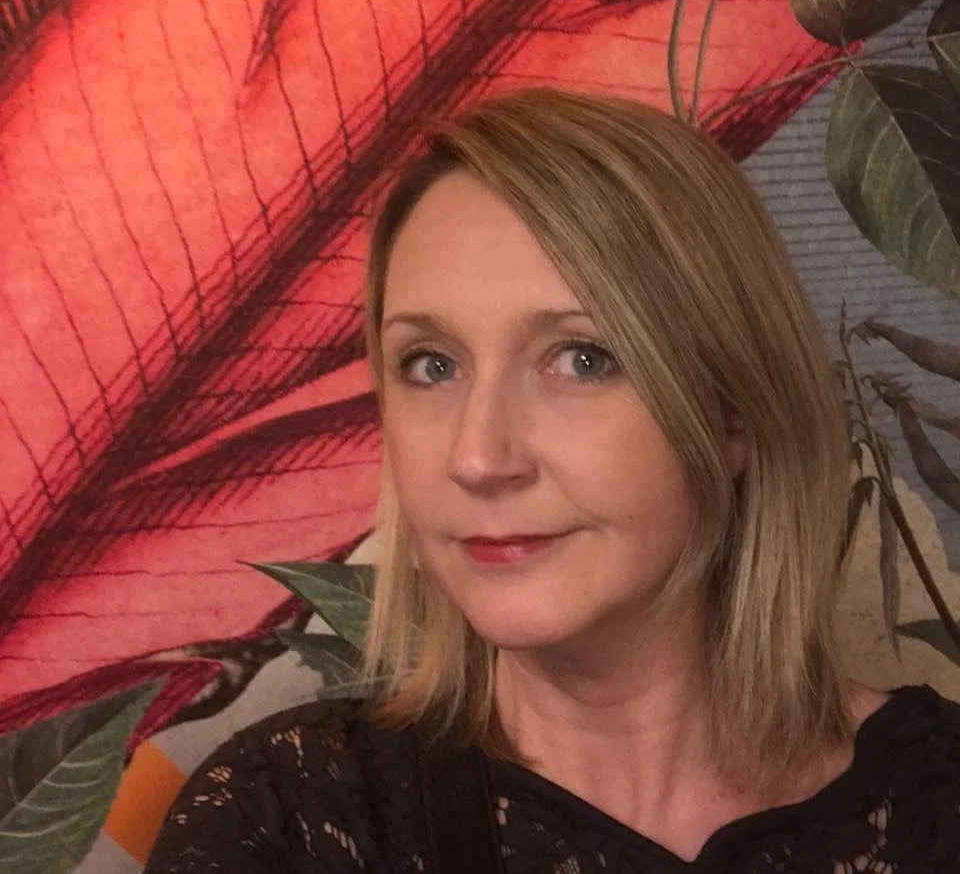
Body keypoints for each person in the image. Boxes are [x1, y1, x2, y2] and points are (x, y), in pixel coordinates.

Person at [144, 88, 960, 873]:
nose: (478, 457)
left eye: (582, 358)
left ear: (733, 412)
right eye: (431, 365)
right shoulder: (285, 820)